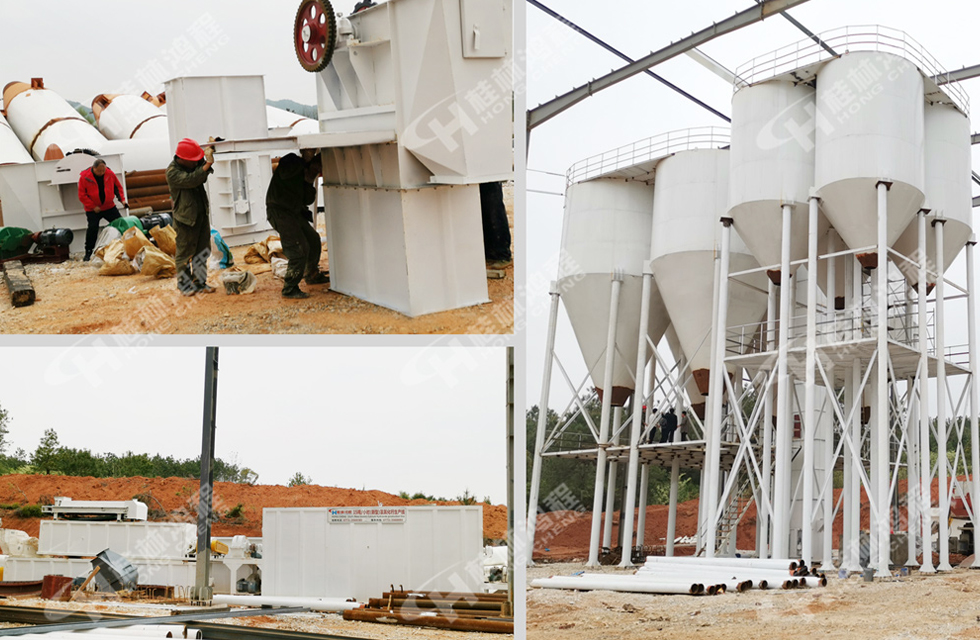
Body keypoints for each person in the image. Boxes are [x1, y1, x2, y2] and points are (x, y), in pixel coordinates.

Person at [265, 150, 329, 299]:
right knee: (298, 249)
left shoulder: (305, 174)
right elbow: (286, 172)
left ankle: (311, 274)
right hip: (280, 212)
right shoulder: (291, 161)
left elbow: (307, 200)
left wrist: (308, 179)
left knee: (313, 239)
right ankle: (290, 288)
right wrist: (305, 167)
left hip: (292, 212)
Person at [166, 138, 215, 296]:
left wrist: (211, 147)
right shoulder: (173, 172)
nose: (196, 163)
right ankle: (185, 286)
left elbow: (201, 171)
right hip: (186, 219)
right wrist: (207, 163)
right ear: (182, 159)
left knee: (202, 251)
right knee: (185, 254)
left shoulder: (190, 164)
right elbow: (192, 180)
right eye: (193, 161)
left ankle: (199, 282)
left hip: (200, 214)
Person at [78, 158, 127, 261]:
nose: (101, 173)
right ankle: (88, 252)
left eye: (103, 170)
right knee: (92, 229)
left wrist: (122, 200)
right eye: (99, 171)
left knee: (120, 224)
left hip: (109, 207)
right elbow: (82, 195)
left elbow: (117, 188)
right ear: (94, 168)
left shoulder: (110, 174)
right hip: (93, 209)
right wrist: (93, 206)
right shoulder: (84, 177)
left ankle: (126, 246)